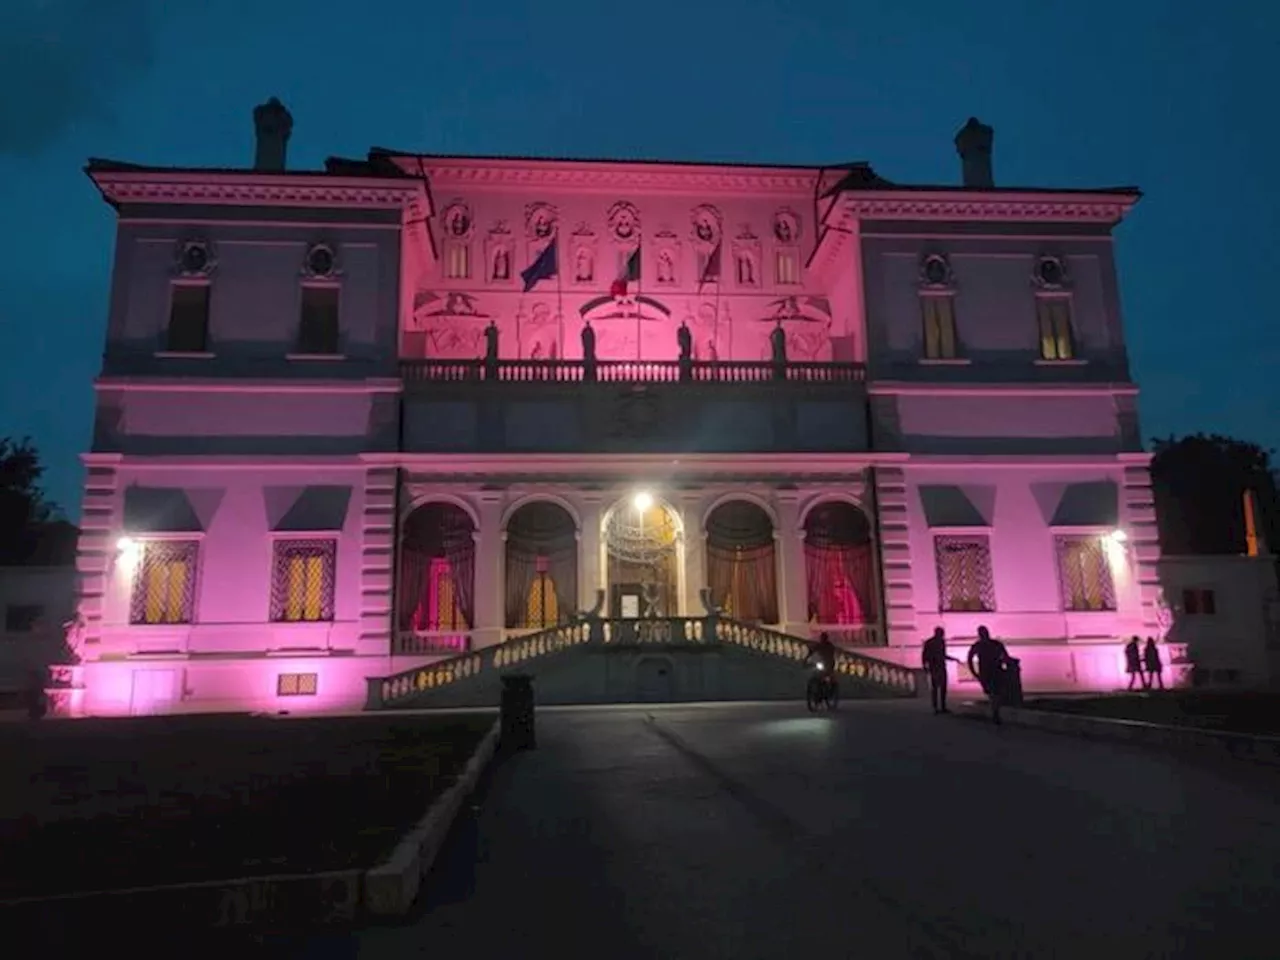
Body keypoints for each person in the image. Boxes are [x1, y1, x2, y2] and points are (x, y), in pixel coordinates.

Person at [966, 626, 1013, 724]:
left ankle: (995, 712)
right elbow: (1005, 656)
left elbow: (970, 659)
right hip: (991, 671)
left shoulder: (981, 645)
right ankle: (996, 712)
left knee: (994, 693)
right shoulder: (993, 644)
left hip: (990, 672)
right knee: (995, 693)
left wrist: (974, 672)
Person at [921, 627, 960, 714]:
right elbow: (925, 655)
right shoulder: (932, 642)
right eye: (942, 633)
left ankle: (940, 707)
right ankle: (938, 707)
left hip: (939, 666)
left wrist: (953, 659)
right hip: (935, 666)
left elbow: (942, 655)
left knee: (941, 688)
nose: (943, 635)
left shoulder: (939, 642)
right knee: (937, 687)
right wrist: (925, 665)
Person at [803, 632, 838, 699]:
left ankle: (831, 690)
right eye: (822, 638)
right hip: (822, 663)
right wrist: (806, 660)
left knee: (830, 676)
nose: (822, 640)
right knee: (816, 674)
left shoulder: (830, 646)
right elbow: (811, 652)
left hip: (829, 663)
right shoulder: (819, 645)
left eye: (823, 638)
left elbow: (832, 654)